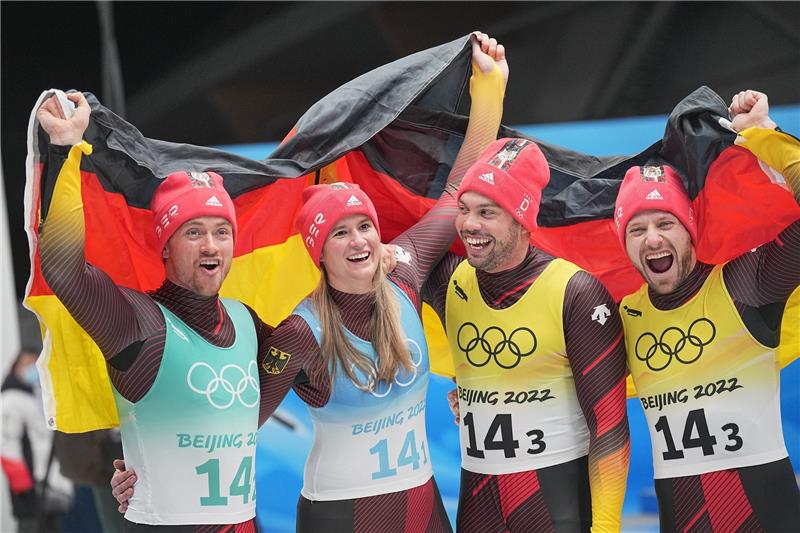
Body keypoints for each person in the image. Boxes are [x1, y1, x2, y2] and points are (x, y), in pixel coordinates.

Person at [111, 32, 508, 532]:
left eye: (363, 226)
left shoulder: (403, 270)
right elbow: (230, 424)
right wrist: (140, 472)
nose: (358, 240)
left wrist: (490, 93)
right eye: (339, 233)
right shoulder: (302, 332)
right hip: (338, 516)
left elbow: (459, 190)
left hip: (422, 510)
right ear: (319, 254)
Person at [35, 92, 330, 532]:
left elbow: (321, 389)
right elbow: (63, 268)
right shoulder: (139, 322)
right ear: (166, 247)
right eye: (194, 232)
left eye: (221, 232)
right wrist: (64, 150)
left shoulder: (247, 322)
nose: (211, 245)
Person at [614, 90, 800, 532]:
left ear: (690, 228)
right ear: (623, 243)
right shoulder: (620, 317)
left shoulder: (745, 282)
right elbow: (562, 385)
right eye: (637, 228)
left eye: (666, 223)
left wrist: (762, 133)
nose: (653, 239)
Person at [428, 138, 631, 532]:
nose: (470, 223)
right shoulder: (449, 278)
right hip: (478, 510)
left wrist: (606, 528)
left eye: (487, 212)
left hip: (555, 509)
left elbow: (609, 427)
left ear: (522, 220)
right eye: (466, 210)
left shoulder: (576, 292)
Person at [1, 348, 74, 533]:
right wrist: (23, 485)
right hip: (30, 486)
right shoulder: (10, 400)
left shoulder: (38, 396)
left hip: (50, 483)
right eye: (26, 364)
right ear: (14, 368)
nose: (31, 369)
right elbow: (6, 445)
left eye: (35, 363)